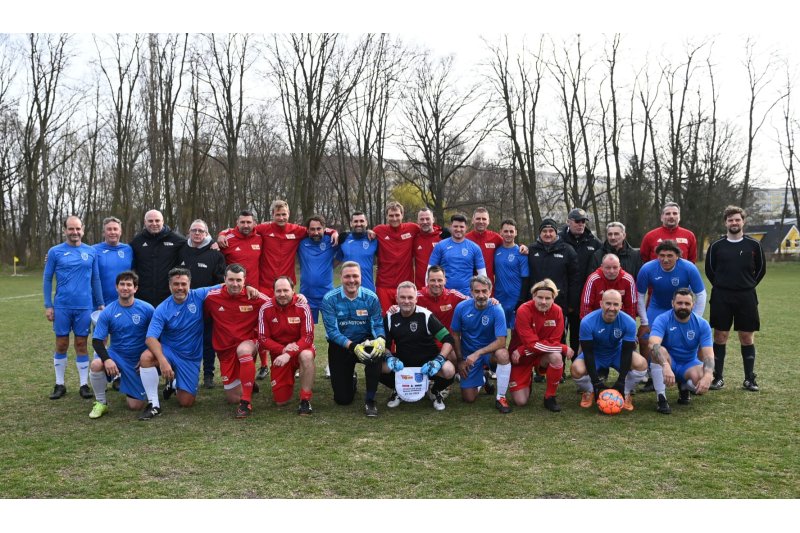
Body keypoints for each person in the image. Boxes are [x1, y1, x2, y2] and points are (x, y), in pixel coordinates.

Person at [139, 267, 255, 420]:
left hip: (190, 357)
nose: (180, 288)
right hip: (170, 351)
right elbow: (150, 338)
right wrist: (162, 361)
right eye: (176, 284)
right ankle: (154, 404)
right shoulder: (162, 308)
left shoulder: (199, 295)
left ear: (189, 284)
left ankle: (173, 384)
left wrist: (249, 287)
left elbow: (227, 284)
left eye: (183, 284)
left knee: (186, 402)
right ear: (169, 285)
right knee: (146, 358)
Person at [218, 199, 338, 296]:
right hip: (265, 285)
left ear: (288, 214)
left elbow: (316, 231)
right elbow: (243, 229)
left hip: (287, 285)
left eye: (284, 214)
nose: (281, 218)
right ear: (273, 215)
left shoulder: (297, 231)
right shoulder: (263, 229)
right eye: (278, 215)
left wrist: (333, 232)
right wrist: (222, 234)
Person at [705, 206, 766, 392]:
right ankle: (718, 378)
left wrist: (747, 285)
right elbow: (710, 270)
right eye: (730, 220)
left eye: (737, 219)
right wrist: (724, 285)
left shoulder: (754, 246)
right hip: (721, 296)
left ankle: (749, 379)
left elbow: (761, 269)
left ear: (743, 221)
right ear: (725, 222)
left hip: (746, 296)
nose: (734, 223)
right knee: (720, 336)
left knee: (747, 337)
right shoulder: (716, 246)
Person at [43, 215, 104, 400]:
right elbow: (47, 278)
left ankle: (83, 385)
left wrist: (100, 303)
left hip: (84, 306)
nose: (75, 232)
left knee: (81, 344)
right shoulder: (55, 252)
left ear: (83, 230)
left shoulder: (91, 252)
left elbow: (96, 279)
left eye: (78, 229)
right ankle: (59, 384)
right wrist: (48, 305)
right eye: (71, 229)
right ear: (65, 230)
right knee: (61, 344)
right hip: (62, 306)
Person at [636, 240, 706, 392]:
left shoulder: (688, 268)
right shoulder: (648, 268)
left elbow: (701, 294)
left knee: (695, 339)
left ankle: (692, 374)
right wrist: (644, 320)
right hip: (657, 308)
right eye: (662, 255)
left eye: (670, 255)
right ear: (657, 256)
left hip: (681, 306)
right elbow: (640, 295)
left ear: (678, 256)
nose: (665, 259)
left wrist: (696, 319)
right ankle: (651, 376)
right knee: (647, 339)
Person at [320, 261, 386, 417]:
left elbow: (377, 324)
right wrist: (353, 346)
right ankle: (351, 380)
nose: (351, 280)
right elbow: (332, 332)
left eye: (355, 276)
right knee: (343, 399)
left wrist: (381, 339)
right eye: (347, 276)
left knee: (375, 354)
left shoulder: (371, 298)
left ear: (361, 277)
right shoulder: (330, 299)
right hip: (341, 346)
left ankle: (370, 400)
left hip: (365, 342)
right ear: (341, 278)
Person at [204, 264, 270, 418]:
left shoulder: (255, 297)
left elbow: (278, 302)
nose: (235, 284)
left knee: (243, 351)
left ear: (245, 280)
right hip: (225, 350)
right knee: (233, 398)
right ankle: (249, 382)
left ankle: (246, 402)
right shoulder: (211, 298)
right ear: (224, 280)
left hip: (249, 342)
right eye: (231, 280)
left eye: (239, 280)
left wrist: (298, 297)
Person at [380, 282, 457, 411]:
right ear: (397, 298)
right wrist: (389, 357)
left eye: (410, 297)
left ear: (416, 299)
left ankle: (435, 390)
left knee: (449, 370)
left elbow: (448, 339)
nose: (406, 301)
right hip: (403, 363)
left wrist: (439, 360)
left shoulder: (426, 316)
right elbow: (384, 345)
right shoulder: (389, 317)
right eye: (403, 297)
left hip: (428, 363)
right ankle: (398, 390)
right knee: (377, 367)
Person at [87, 271, 154, 418]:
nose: (125, 288)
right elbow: (97, 341)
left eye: (129, 284)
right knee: (96, 364)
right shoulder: (108, 311)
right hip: (116, 355)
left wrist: (146, 356)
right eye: (122, 284)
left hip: (137, 359)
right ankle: (101, 402)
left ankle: (128, 380)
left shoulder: (147, 309)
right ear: (116, 288)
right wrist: (107, 359)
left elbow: (157, 335)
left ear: (135, 288)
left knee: (135, 406)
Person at [521, 218, 579, 381]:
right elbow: (526, 276)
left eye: (551, 231)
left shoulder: (567, 250)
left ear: (556, 233)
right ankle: (538, 370)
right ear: (540, 233)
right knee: (535, 336)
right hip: (535, 304)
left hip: (559, 304)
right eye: (544, 231)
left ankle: (557, 369)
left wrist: (572, 303)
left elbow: (575, 278)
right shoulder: (531, 249)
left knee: (558, 336)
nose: (548, 234)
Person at [571, 290, 648, 411]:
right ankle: (590, 391)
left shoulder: (629, 322)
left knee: (641, 364)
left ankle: (626, 392)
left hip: (617, 353)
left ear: (621, 306)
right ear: (601, 303)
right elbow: (588, 353)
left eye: (616, 304)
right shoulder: (587, 321)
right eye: (608, 303)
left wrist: (621, 380)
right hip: (595, 354)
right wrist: (596, 381)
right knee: (576, 369)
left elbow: (627, 352)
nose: (612, 308)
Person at [216, 210, 270, 379]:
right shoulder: (227, 240)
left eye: (249, 222)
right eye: (242, 222)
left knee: (259, 328)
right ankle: (237, 368)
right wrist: (219, 236)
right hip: (235, 292)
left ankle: (264, 365)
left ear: (254, 223)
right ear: (236, 223)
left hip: (255, 291)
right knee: (240, 332)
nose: (246, 225)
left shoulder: (260, 237)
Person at [508, 279, 573, 412]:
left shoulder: (558, 311)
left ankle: (550, 397)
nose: (543, 302)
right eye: (540, 297)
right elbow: (532, 344)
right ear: (533, 297)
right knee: (520, 401)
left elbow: (554, 341)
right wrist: (563, 348)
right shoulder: (523, 310)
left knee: (556, 357)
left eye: (548, 298)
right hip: (521, 358)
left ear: (553, 298)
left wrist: (522, 350)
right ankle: (528, 379)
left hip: (534, 354)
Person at [451, 275, 512, 413]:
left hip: (489, 353)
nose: (481, 295)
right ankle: (483, 379)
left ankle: (501, 397)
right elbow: (455, 334)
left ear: (490, 292)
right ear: (471, 292)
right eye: (477, 291)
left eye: (484, 291)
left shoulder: (497, 309)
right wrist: (460, 360)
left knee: (503, 354)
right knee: (468, 398)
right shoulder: (461, 308)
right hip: (468, 354)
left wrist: (478, 353)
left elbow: (502, 341)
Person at [648, 288, 715, 414]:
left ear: (693, 305)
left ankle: (684, 386)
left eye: (687, 303)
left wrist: (707, 375)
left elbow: (708, 355)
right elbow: (653, 343)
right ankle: (661, 397)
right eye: (679, 303)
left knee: (701, 381)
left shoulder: (702, 324)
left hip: (689, 364)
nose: (683, 306)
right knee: (657, 350)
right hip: (669, 362)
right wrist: (666, 365)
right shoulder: (662, 319)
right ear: (672, 303)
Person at [258, 276, 317, 415]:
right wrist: (283, 350)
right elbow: (262, 338)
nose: (282, 294)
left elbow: (308, 337)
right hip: (280, 354)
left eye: (286, 290)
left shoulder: (302, 306)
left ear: (293, 291)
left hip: (301, 349)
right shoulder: (265, 308)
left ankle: (305, 399)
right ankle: (288, 377)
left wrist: (289, 353)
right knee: (281, 401)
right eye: (278, 291)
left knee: (307, 355)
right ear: (273, 291)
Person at [178, 219, 226, 389]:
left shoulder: (216, 254)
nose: (197, 234)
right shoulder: (181, 250)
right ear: (189, 232)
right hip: (183, 306)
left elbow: (221, 281)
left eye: (201, 231)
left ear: (207, 234)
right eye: (194, 230)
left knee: (208, 341)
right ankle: (187, 373)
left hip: (207, 306)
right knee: (187, 341)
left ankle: (208, 375)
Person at [559, 208, 602, 353]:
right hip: (562, 295)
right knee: (559, 332)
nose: (581, 224)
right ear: (568, 222)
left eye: (583, 221)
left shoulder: (594, 242)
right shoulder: (559, 240)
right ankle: (560, 367)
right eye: (577, 221)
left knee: (578, 333)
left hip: (584, 296)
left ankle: (578, 366)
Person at [130, 209, 186, 306]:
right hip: (143, 297)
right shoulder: (137, 241)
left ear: (163, 221)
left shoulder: (177, 240)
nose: (154, 223)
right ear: (145, 222)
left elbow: (194, 246)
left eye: (157, 220)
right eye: (150, 221)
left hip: (168, 296)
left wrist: (212, 243)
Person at [372, 201, 420, 312]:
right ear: (387, 216)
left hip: (405, 286)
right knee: (386, 318)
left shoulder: (412, 228)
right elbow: (364, 237)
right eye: (391, 215)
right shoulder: (378, 230)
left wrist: (443, 232)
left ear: (402, 215)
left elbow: (428, 230)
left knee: (406, 318)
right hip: (384, 285)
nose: (394, 218)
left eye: (397, 215)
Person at [428, 213, 486, 295]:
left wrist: (482, 293)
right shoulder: (440, 245)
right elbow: (429, 270)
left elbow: (482, 275)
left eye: (461, 227)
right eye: (455, 226)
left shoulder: (475, 248)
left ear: (466, 228)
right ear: (451, 227)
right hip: (445, 294)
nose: (458, 229)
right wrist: (428, 291)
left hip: (467, 295)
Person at [297, 215, 339, 324]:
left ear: (324, 229)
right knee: (306, 328)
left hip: (327, 294)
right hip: (306, 295)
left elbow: (342, 253)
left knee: (332, 327)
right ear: (307, 230)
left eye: (319, 229)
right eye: (312, 229)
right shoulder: (301, 243)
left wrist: (330, 265)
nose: (316, 232)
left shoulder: (331, 240)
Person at [493, 218, 529, 330]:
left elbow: (525, 278)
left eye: (511, 231)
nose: (508, 234)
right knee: (499, 331)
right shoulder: (496, 251)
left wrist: (521, 300)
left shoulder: (521, 253)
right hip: (499, 298)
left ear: (516, 233)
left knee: (516, 332)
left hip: (515, 298)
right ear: (501, 232)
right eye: (506, 231)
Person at [580, 253, 638, 320]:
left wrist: (628, 325)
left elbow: (631, 307)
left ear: (619, 267)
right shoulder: (593, 279)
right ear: (602, 267)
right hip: (597, 320)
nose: (611, 271)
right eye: (608, 268)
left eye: (615, 267)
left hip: (620, 321)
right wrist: (590, 325)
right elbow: (586, 306)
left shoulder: (628, 280)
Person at [93, 216, 134, 306]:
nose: (112, 232)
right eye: (109, 229)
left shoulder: (128, 249)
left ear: (120, 232)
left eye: (115, 229)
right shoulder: (94, 250)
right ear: (104, 233)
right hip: (100, 304)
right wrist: (99, 302)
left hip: (124, 303)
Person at [336, 211, 378, 292]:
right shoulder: (343, 239)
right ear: (351, 223)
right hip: (347, 290)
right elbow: (336, 260)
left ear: (366, 222)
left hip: (368, 290)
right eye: (355, 221)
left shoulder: (374, 239)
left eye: (361, 221)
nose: (358, 224)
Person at [465, 207, 504, 285]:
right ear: (473, 221)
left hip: (488, 286)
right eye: (478, 218)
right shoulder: (465, 238)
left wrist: (522, 247)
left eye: (484, 219)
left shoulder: (495, 238)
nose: (481, 221)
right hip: (468, 286)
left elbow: (509, 245)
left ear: (488, 221)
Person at [413, 207, 448, 289]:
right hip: (420, 288)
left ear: (433, 220)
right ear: (417, 221)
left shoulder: (443, 236)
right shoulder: (414, 238)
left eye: (427, 219)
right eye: (422, 219)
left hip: (440, 286)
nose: (425, 222)